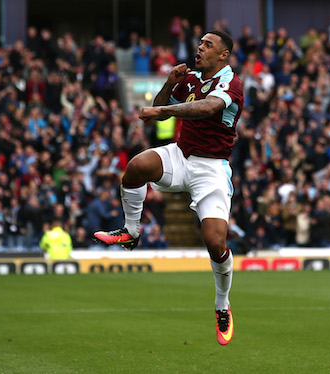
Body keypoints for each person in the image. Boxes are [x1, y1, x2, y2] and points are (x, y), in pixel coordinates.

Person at [93, 30, 242, 345]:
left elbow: (207, 108)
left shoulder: (231, 84)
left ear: (224, 55)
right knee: (136, 167)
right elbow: (157, 115)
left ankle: (222, 304)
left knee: (215, 242)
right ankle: (131, 231)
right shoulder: (189, 79)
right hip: (181, 154)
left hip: (211, 169)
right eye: (199, 43)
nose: (199, 48)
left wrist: (161, 110)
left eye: (207, 45)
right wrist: (168, 85)